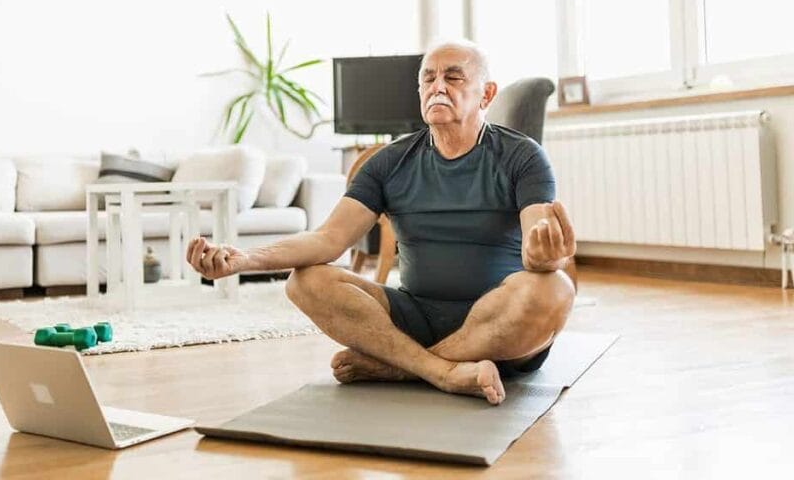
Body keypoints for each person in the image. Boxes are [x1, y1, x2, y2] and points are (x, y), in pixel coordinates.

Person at [186, 41, 576, 405]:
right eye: (428, 78)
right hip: (414, 319)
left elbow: (537, 243)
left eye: (453, 77)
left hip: (498, 329)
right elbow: (328, 239)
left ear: (486, 94)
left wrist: (545, 259)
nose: (438, 86)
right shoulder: (389, 162)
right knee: (306, 281)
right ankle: (441, 371)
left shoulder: (522, 155)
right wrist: (243, 260)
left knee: (554, 289)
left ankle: (398, 367)